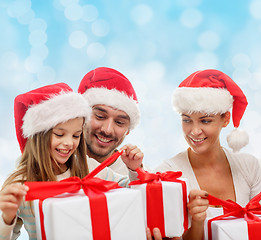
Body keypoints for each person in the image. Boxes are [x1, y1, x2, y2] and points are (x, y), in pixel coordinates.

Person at [0, 83, 142, 239]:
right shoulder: (20, 185)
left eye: (76, 135)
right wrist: (7, 219)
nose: (69, 143)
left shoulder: (88, 167)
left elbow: (131, 191)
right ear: (38, 137)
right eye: (60, 134)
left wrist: (134, 170)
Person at [153, 69, 261, 240]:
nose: (194, 131)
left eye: (205, 121)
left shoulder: (250, 166)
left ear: (225, 119)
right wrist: (196, 221)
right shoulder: (167, 174)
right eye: (187, 120)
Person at [78, 67, 148, 175]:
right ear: (81, 117)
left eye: (119, 122)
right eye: (100, 116)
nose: (107, 130)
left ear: (128, 130)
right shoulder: (57, 162)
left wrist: (137, 172)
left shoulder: (136, 174)